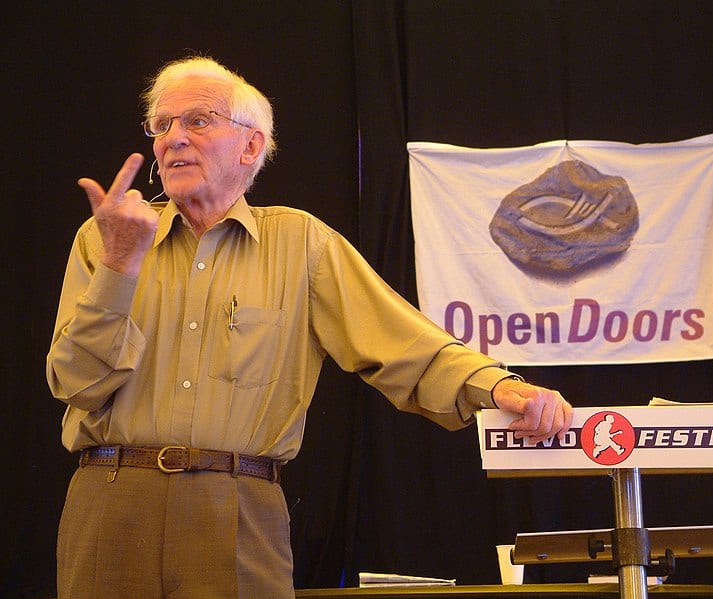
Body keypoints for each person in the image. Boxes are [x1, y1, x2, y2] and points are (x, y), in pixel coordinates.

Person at [46, 55, 573, 598]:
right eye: (162, 125)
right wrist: (118, 267)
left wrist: (500, 386)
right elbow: (76, 383)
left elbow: (405, 343)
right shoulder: (105, 238)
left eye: (197, 121)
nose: (173, 139)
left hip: (238, 511)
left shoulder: (301, 243)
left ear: (250, 146)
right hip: (109, 501)